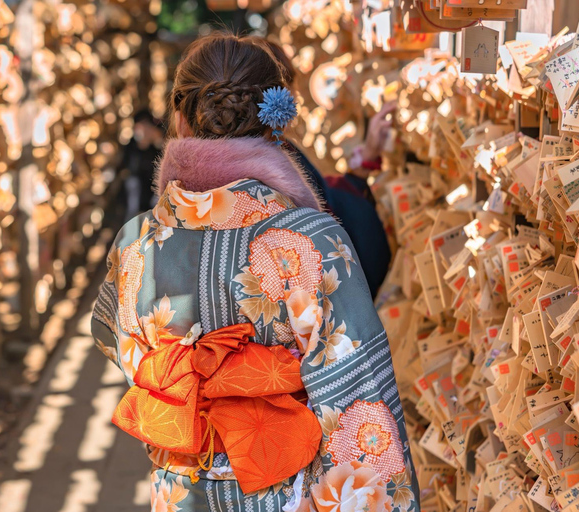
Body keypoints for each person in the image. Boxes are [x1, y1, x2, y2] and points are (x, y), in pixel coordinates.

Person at [92, 33, 419, 512]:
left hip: (180, 487)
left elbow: (114, 339)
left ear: (179, 118)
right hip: (283, 488)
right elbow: (357, 400)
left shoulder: (135, 242)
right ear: (275, 127)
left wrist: (194, 382)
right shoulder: (308, 241)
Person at [250, 37, 392, 298]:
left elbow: (326, 198)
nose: (297, 96)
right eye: (290, 87)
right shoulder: (270, 170)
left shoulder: (273, 155)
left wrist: (363, 163)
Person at [122, 109, 165, 219]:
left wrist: (157, 140)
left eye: (146, 125)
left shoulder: (159, 142)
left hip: (157, 196)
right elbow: (131, 169)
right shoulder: (132, 147)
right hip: (139, 199)